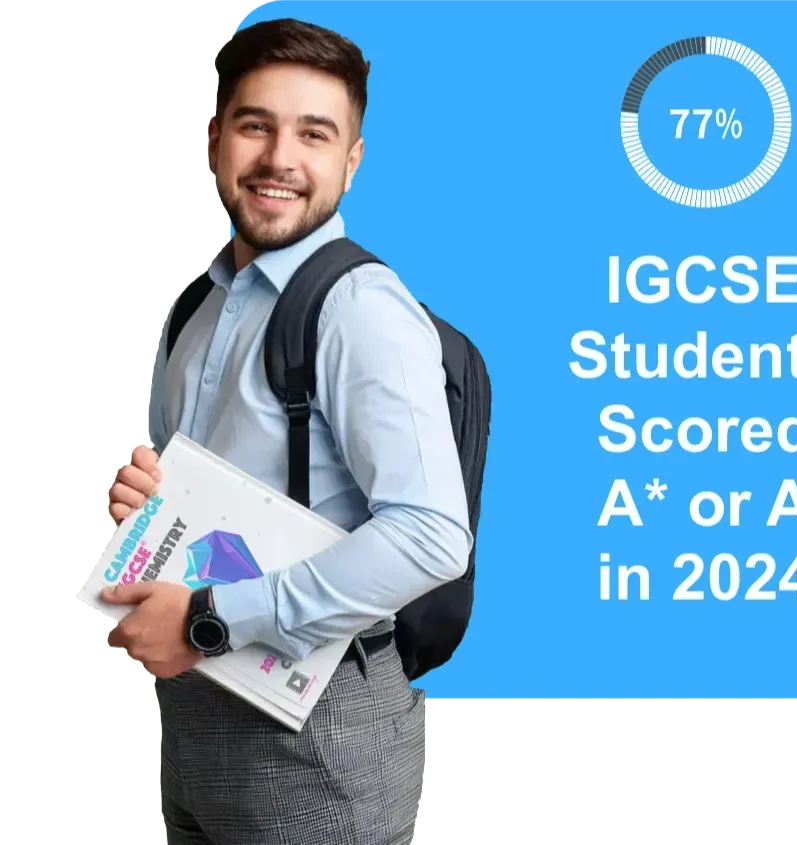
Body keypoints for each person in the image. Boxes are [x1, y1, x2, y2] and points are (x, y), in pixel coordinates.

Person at [104, 17, 471, 844]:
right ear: (213, 139)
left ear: (352, 160)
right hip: (196, 711)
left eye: (315, 133)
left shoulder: (359, 309)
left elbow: (432, 535)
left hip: (318, 726)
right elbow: (219, 504)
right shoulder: (197, 305)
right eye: (255, 125)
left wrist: (207, 619)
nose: (279, 158)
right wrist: (147, 510)